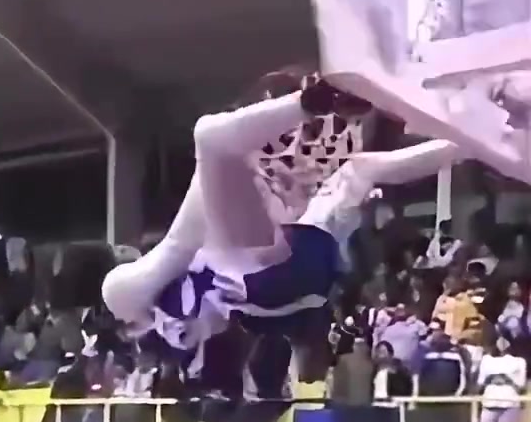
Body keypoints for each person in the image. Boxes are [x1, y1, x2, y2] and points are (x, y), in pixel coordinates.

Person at [102, 72, 461, 384]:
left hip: (280, 269)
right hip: (282, 271)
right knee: (215, 146)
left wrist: (467, 145)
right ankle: (315, 103)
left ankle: (462, 143)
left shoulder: (186, 279)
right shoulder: (182, 280)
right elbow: (181, 241)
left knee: (218, 146)